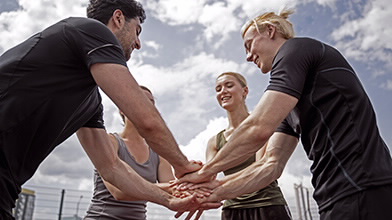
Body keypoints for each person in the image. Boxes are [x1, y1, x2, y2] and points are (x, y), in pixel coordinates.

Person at [0, 0, 220, 219]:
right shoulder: (90, 30)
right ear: (118, 18)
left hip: (7, 186)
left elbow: (112, 168)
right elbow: (147, 121)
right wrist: (183, 166)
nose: (138, 43)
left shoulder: (91, 102)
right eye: (137, 31)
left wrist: (168, 199)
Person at [178, 9, 392, 220]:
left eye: (249, 44)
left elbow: (258, 128)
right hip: (332, 195)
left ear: (270, 31)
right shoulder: (288, 103)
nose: (248, 56)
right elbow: (270, 166)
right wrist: (214, 191)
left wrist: (205, 173)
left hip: (364, 184)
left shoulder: (297, 49)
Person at [85, 86, 184, 219]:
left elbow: (173, 190)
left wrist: (195, 185)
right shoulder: (110, 142)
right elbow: (120, 192)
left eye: (151, 102)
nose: (147, 105)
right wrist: (172, 187)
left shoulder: (158, 153)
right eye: (140, 99)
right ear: (122, 108)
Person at [206, 72, 292, 219]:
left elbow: (261, 167)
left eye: (229, 85)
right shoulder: (215, 141)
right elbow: (208, 177)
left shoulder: (262, 127)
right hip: (232, 210)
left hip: (267, 204)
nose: (223, 91)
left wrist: (218, 186)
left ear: (245, 91)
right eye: (218, 89)